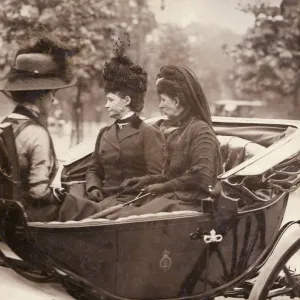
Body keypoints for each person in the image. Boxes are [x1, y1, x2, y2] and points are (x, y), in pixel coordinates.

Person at [0, 35, 104, 222]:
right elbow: (39, 193)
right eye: (52, 93)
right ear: (41, 95)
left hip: (8, 211)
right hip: (32, 214)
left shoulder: (5, 124)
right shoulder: (36, 133)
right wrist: (60, 195)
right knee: (93, 210)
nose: (54, 99)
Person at [108, 64, 223, 219]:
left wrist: (163, 187)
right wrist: (145, 180)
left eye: (163, 100)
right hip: (175, 197)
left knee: (131, 217)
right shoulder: (179, 130)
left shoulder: (201, 131)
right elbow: (172, 175)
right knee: (121, 211)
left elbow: (201, 176)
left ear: (176, 101)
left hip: (193, 203)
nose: (160, 105)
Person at [85, 54, 164, 208]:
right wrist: (93, 187)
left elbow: (157, 176)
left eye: (111, 100)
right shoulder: (104, 133)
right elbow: (93, 170)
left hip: (132, 204)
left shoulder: (147, 132)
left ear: (126, 101)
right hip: (102, 200)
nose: (106, 105)